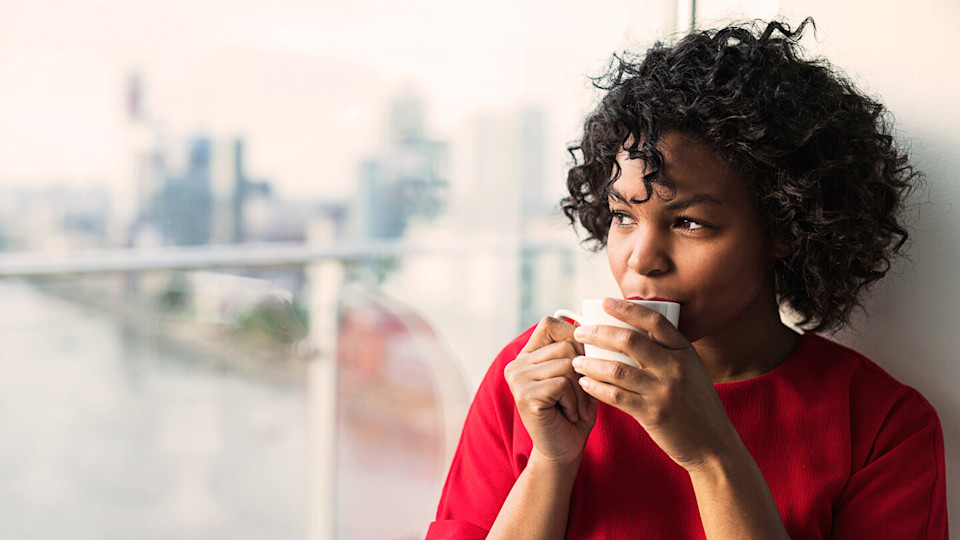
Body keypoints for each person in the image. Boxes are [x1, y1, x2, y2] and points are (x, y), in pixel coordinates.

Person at [426, 19, 948, 539]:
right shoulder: (533, 380)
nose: (642, 260)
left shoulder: (880, 425)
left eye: (689, 223)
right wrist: (550, 463)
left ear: (785, 227)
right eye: (624, 216)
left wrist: (711, 452)